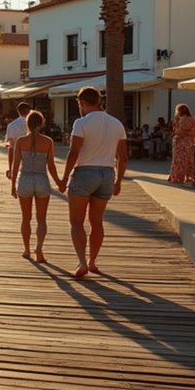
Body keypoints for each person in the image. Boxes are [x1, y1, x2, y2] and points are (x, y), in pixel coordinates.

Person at [58, 87, 127, 278]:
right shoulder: (116, 124)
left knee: (77, 222)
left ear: (81, 102)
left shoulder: (81, 123)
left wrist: (64, 179)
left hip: (85, 173)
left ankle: (81, 263)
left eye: (79, 103)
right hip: (107, 174)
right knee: (97, 222)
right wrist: (119, 181)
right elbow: (123, 157)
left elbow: (74, 153)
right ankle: (93, 261)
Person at [10, 110, 60, 263]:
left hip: (25, 179)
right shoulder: (48, 142)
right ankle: (39, 249)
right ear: (42, 123)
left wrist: (13, 185)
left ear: (28, 124)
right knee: (41, 219)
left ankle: (26, 250)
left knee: (26, 218)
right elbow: (51, 165)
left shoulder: (20, 141)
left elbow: (15, 165)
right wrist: (59, 182)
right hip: (41, 179)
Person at [168, 104, 195, 184]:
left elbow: (179, 132)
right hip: (190, 142)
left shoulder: (181, 120)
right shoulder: (193, 120)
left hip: (180, 142)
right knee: (189, 159)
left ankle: (177, 177)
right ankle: (190, 177)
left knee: (178, 160)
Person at [5, 102, 32, 180]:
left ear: (18, 111)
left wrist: (10, 169)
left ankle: (13, 175)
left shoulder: (11, 126)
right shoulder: (32, 124)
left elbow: (11, 147)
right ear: (29, 111)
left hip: (18, 152)